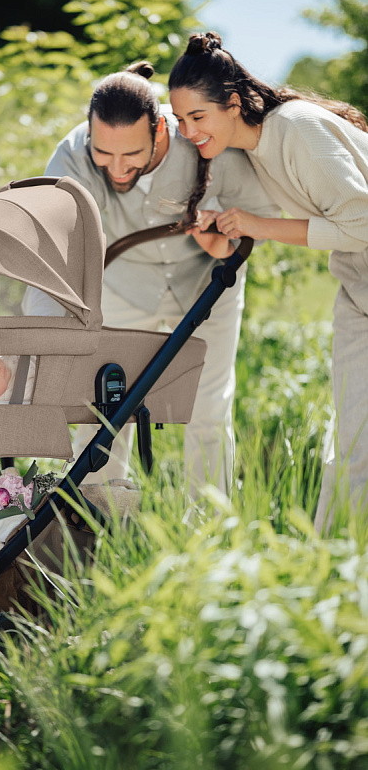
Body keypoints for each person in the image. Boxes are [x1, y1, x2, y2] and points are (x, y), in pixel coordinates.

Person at [23, 61, 280, 495]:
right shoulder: (72, 155)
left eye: (131, 154)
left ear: (160, 129)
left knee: (208, 409)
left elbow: (259, 218)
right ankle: (96, 517)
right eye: (104, 153)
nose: (117, 168)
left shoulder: (208, 143)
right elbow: (49, 250)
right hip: (120, 288)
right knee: (104, 411)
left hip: (207, 287)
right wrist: (46, 334)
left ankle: (209, 519)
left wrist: (223, 238)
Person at [168, 31, 368, 528]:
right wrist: (220, 223)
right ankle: (333, 559)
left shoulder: (297, 128)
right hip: (356, 289)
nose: (188, 131)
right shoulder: (253, 149)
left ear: (233, 104)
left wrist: (258, 226)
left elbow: (362, 222)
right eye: (180, 120)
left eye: (198, 117)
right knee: (351, 441)